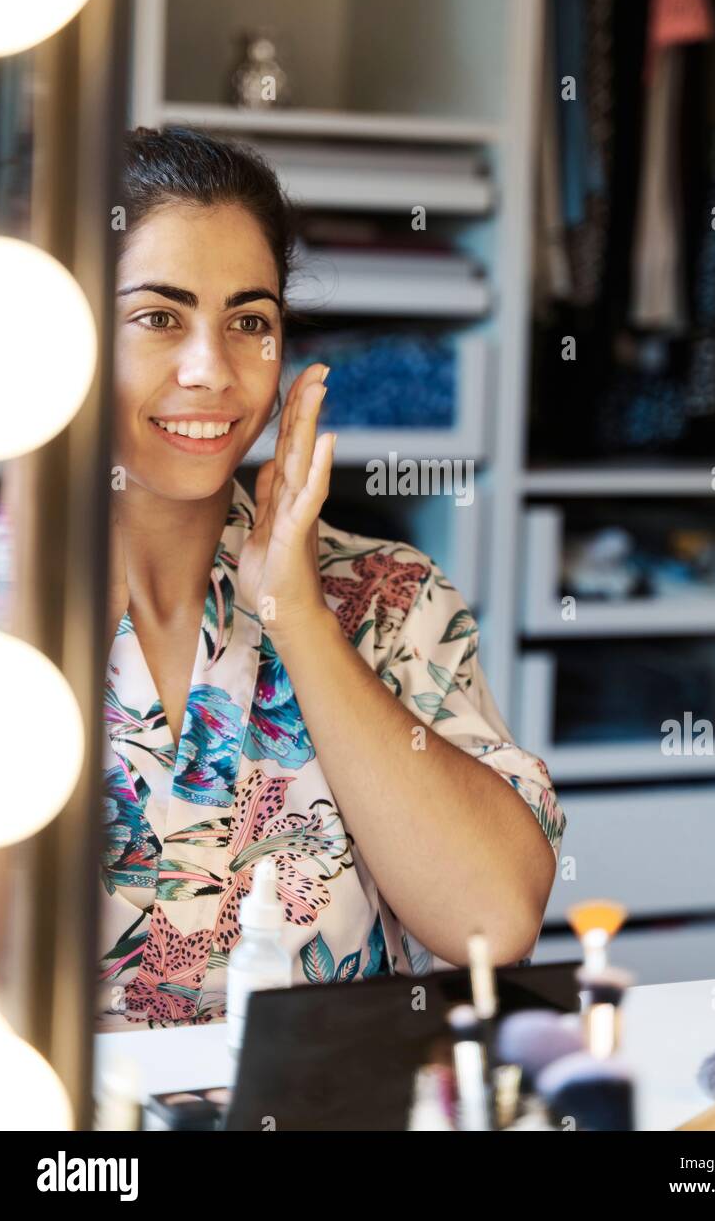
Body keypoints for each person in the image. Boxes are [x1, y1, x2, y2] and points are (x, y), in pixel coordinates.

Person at [99, 126, 565, 1030]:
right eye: (158, 317)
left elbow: (491, 921)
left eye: (249, 322)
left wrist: (297, 612)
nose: (213, 370)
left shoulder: (389, 598)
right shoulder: (10, 616)